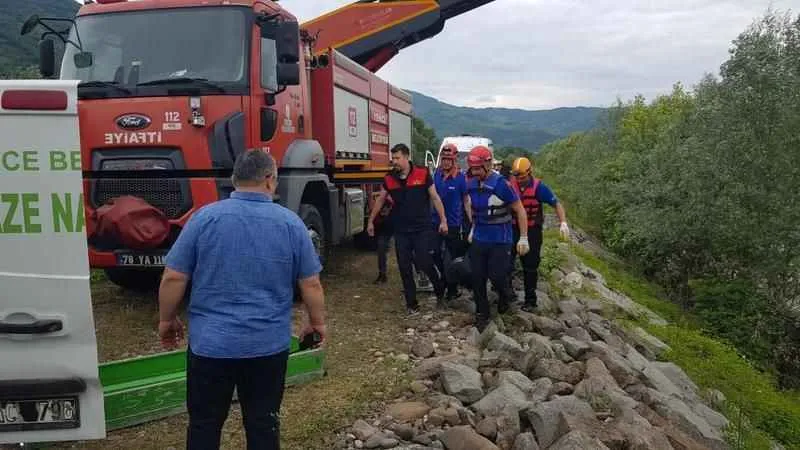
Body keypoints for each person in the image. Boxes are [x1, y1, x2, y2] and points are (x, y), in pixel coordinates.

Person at [157, 150, 326, 450]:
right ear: (269, 180)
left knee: (204, 425)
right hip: (267, 347)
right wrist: (316, 323)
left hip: (211, 347)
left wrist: (166, 320)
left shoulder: (204, 218)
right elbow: (310, 283)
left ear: (235, 179)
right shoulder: (290, 223)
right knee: (263, 424)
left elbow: (173, 277)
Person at [367, 143, 449, 314]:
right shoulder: (389, 178)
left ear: (406, 157)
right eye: (393, 158)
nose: (394, 161)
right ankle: (412, 304)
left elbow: (435, 198)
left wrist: (443, 220)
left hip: (422, 228)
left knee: (424, 262)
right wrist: (371, 221)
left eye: (397, 158)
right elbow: (381, 200)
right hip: (401, 230)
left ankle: (440, 290)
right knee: (404, 267)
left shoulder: (422, 173)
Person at [465, 145, 529, 331]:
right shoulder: (471, 183)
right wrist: (472, 229)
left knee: (497, 276)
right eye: (472, 169)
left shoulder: (501, 185)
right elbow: (474, 209)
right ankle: (482, 313)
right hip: (480, 237)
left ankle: (504, 296)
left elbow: (520, 210)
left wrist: (523, 237)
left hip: (500, 238)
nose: (474, 172)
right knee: (477, 277)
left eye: (477, 169)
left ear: (487, 165)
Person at [509, 156, 570, 311]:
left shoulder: (539, 187)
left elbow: (556, 204)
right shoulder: (510, 185)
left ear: (529, 173)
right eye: (517, 177)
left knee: (530, 265)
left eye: (522, 177)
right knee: (506, 262)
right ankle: (507, 295)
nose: (520, 180)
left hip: (532, 231)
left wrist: (563, 222)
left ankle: (530, 301)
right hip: (512, 228)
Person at [431, 143, 470, 302]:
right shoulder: (436, 175)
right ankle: (445, 280)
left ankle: (451, 289)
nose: (446, 162)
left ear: (454, 160)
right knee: (434, 253)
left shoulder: (460, 178)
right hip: (435, 221)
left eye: (449, 159)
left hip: (453, 223)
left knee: (451, 257)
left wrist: (472, 221)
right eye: (444, 159)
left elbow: (466, 200)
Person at [373, 190, 394, 284]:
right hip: (384, 226)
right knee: (381, 247)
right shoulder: (380, 200)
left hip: (397, 222)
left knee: (406, 249)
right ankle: (382, 274)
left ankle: (419, 272)